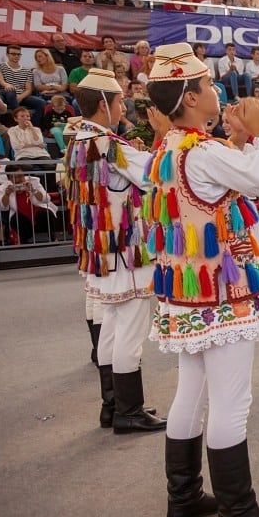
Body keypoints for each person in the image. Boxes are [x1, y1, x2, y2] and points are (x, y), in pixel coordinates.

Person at [145, 43, 259, 517]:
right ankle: (237, 512)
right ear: (190, 98)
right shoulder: (204, 152)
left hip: (186, 298)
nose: (216, 92)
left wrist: (239, 140)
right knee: (232, 402)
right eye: (208, 86)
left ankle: (182, 498)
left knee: (191, 393)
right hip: (222, 297)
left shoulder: (169, 149)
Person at [63, 68, 166, 434]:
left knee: (110, 326)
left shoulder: (77, 142)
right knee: (130, 329)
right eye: (121, 100)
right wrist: (162, 137)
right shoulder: (110, 145)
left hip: (99, 251)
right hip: (126, 251)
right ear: (104, 104)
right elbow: (157, 173)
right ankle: (129, 410)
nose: (123, 107)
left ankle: (112, 405)